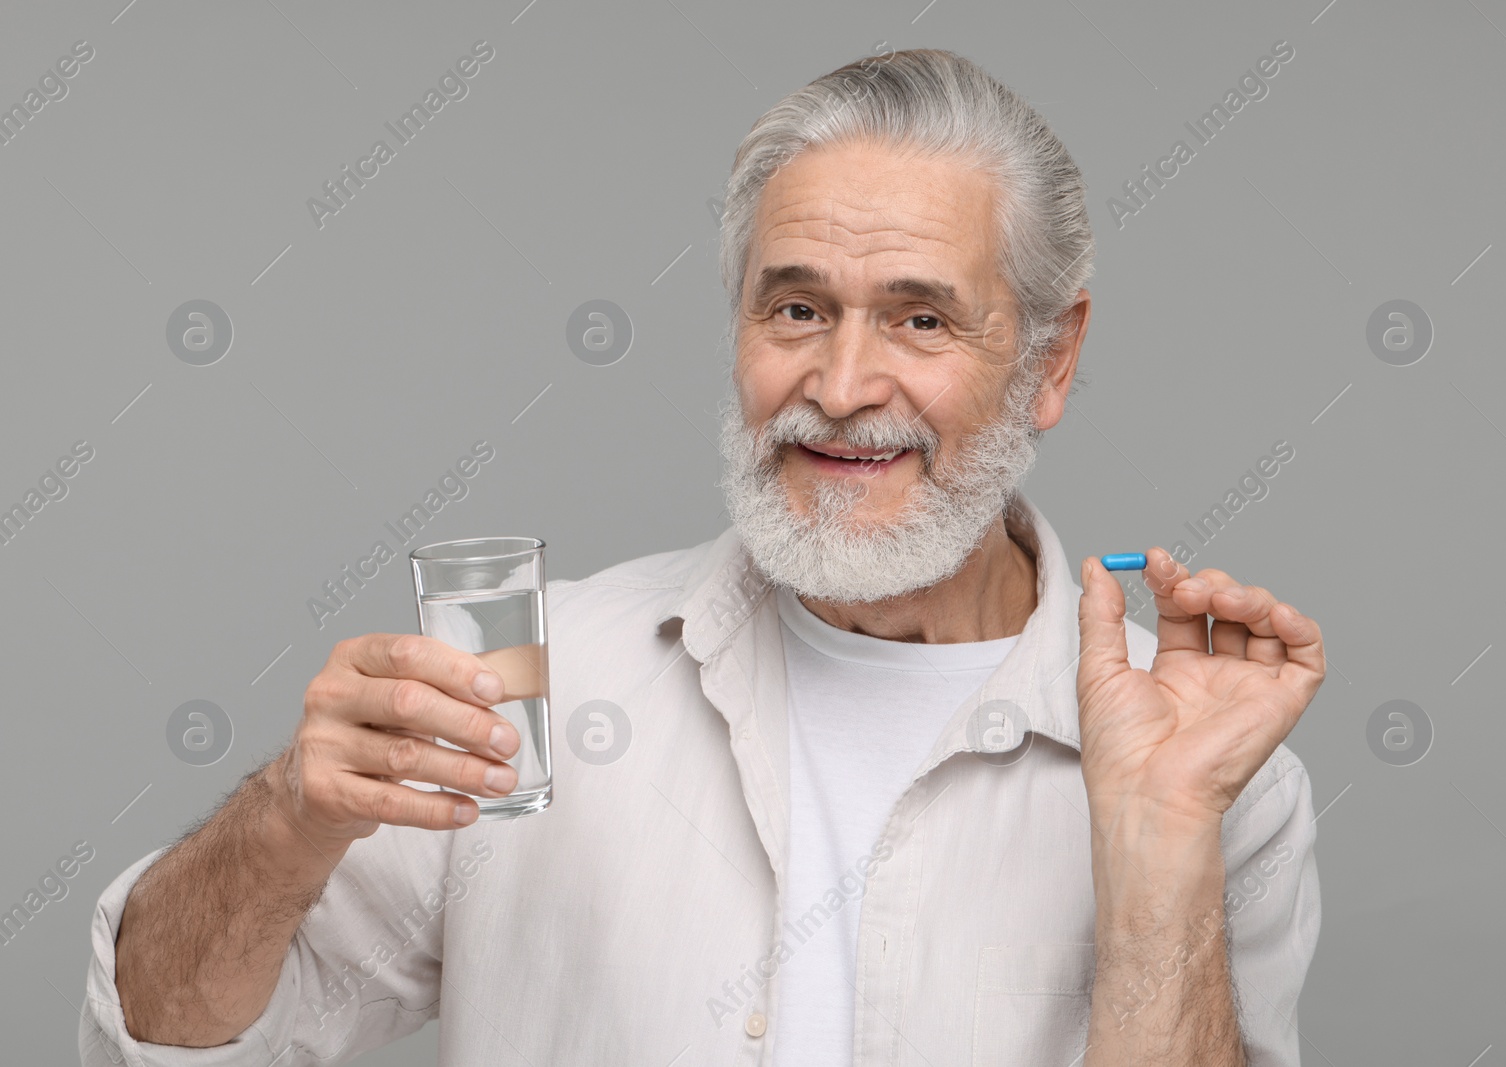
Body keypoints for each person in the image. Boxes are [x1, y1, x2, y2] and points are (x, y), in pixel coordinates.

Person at [80, 48, 1325, 1066]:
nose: (839, 388)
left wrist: (1162, 840)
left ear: (1049, 360)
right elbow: (157, 1042)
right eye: (796, 309)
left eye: (919, 317)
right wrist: (287, 815)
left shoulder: (1210, 767)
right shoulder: (525, 678)